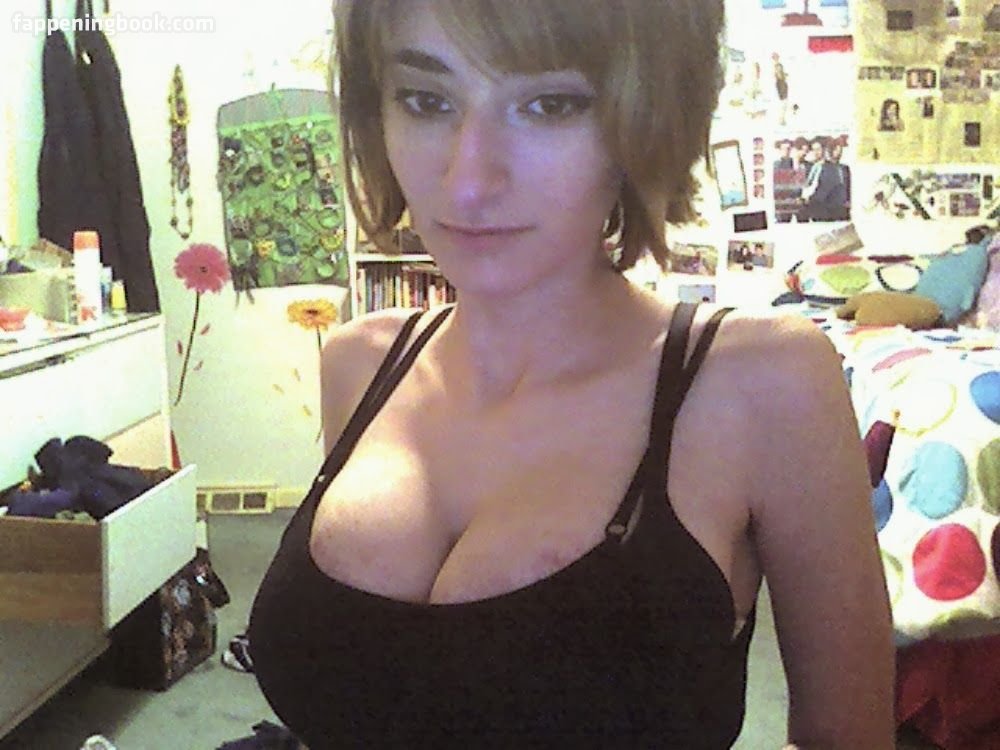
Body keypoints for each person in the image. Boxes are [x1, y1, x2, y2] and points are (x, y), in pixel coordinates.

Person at [249, 1, 894, 747]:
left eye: (549, 105)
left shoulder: (762, 382)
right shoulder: (359, 363)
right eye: (426, 100)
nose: (467, 180)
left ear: (647, 118)